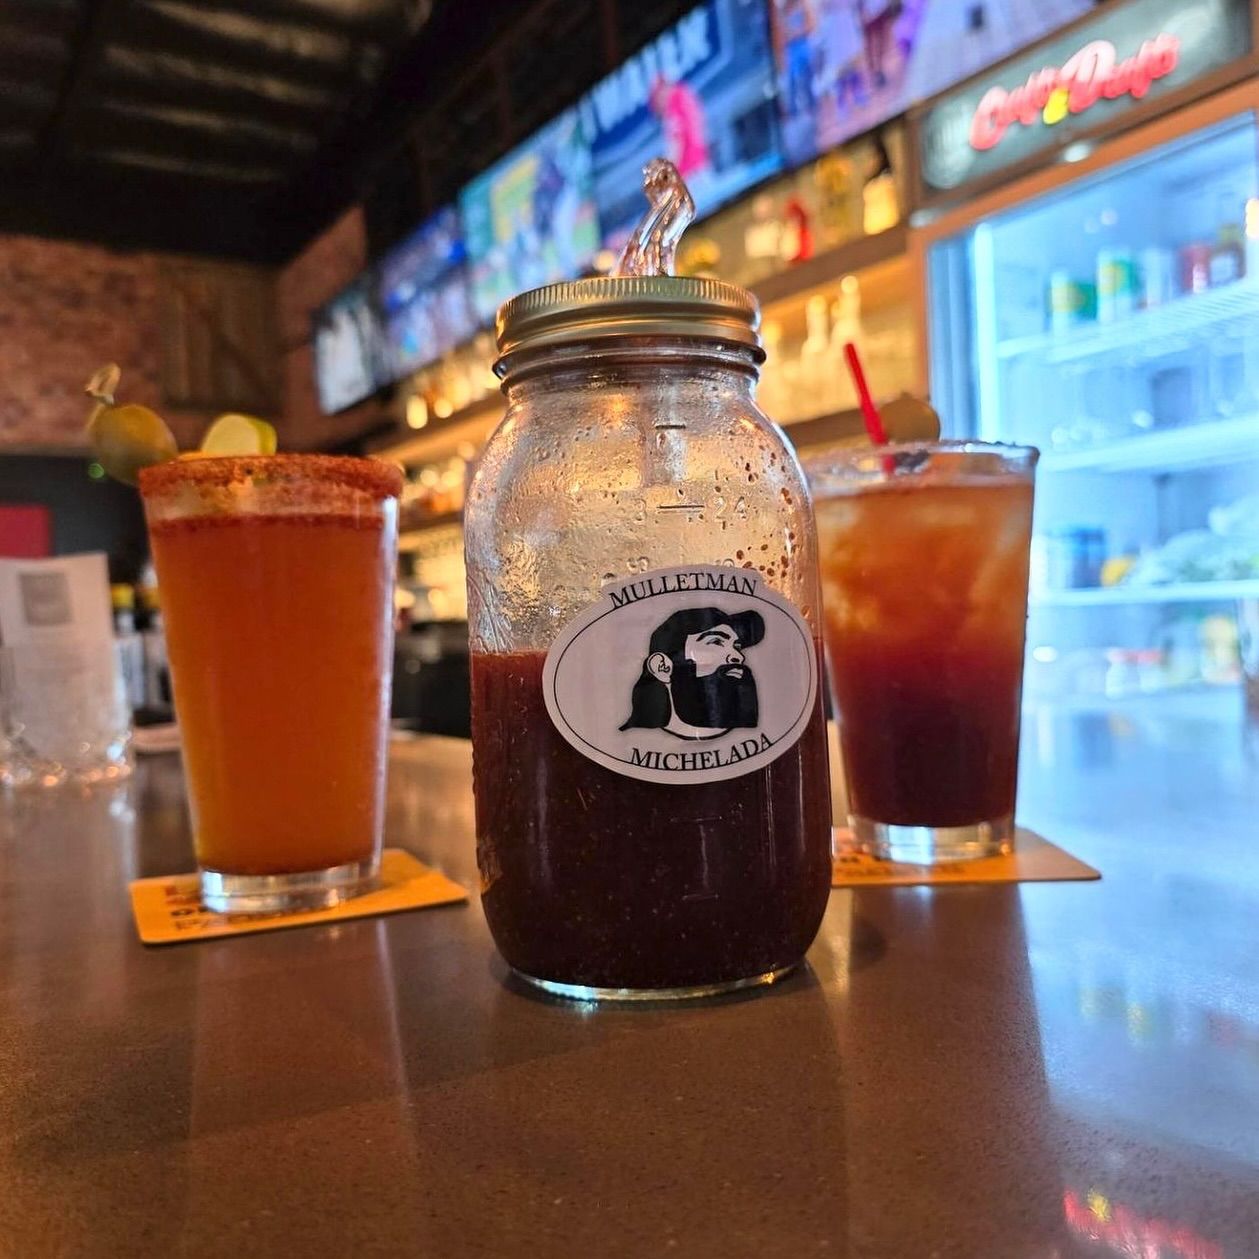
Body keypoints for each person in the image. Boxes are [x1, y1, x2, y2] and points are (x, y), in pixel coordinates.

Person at [620, 607, 764, 740]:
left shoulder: (756, 746)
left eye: (736, 646)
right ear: (662, 667)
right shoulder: (628, 744)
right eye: (716, 642)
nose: (738, 656)